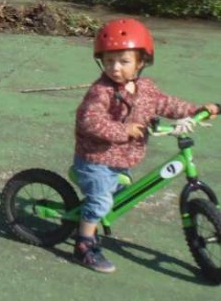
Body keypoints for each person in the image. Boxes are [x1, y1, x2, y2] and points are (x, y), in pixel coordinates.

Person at [73, 18, 219, 273]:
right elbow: (89, 121)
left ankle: (94, 219)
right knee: (100, 203)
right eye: (109, 61)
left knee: (115, 197)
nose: (115, 68)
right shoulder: (102, 92)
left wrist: (197, 110)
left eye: (123, 61)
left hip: (121, 159)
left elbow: (166, 104)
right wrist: (123, 130)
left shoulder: (146, 88)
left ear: (141, 62)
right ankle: (84, 243)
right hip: (95, 159)